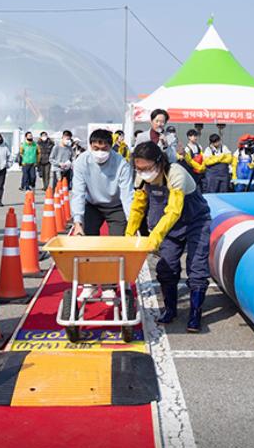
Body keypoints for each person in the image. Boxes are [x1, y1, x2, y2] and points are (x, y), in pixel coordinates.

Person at [126, 141, 211, 333]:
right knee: (167, 267)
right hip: (167, 229)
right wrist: (129, 235)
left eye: (147, 168)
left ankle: (195, 314)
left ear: (159, 161)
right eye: (138, 168)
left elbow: (174, 210)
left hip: (194, 222)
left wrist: (155, 236)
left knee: (197, 267)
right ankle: (170, 310)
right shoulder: (142, 180)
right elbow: (137, 207)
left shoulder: (176, 174)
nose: (143, 172)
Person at [71, 128, 134, 238]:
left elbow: (127, 194)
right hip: (92, 205)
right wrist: (77, 222)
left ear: (111, 147)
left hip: (116, 206)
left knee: (118, 244)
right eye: (96, 148)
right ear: (90, 146)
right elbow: (78, 192)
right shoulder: (82, 161)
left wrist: (132, 222)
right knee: (88, 240)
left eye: (104, 149)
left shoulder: (121, 163)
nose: (100, 153)